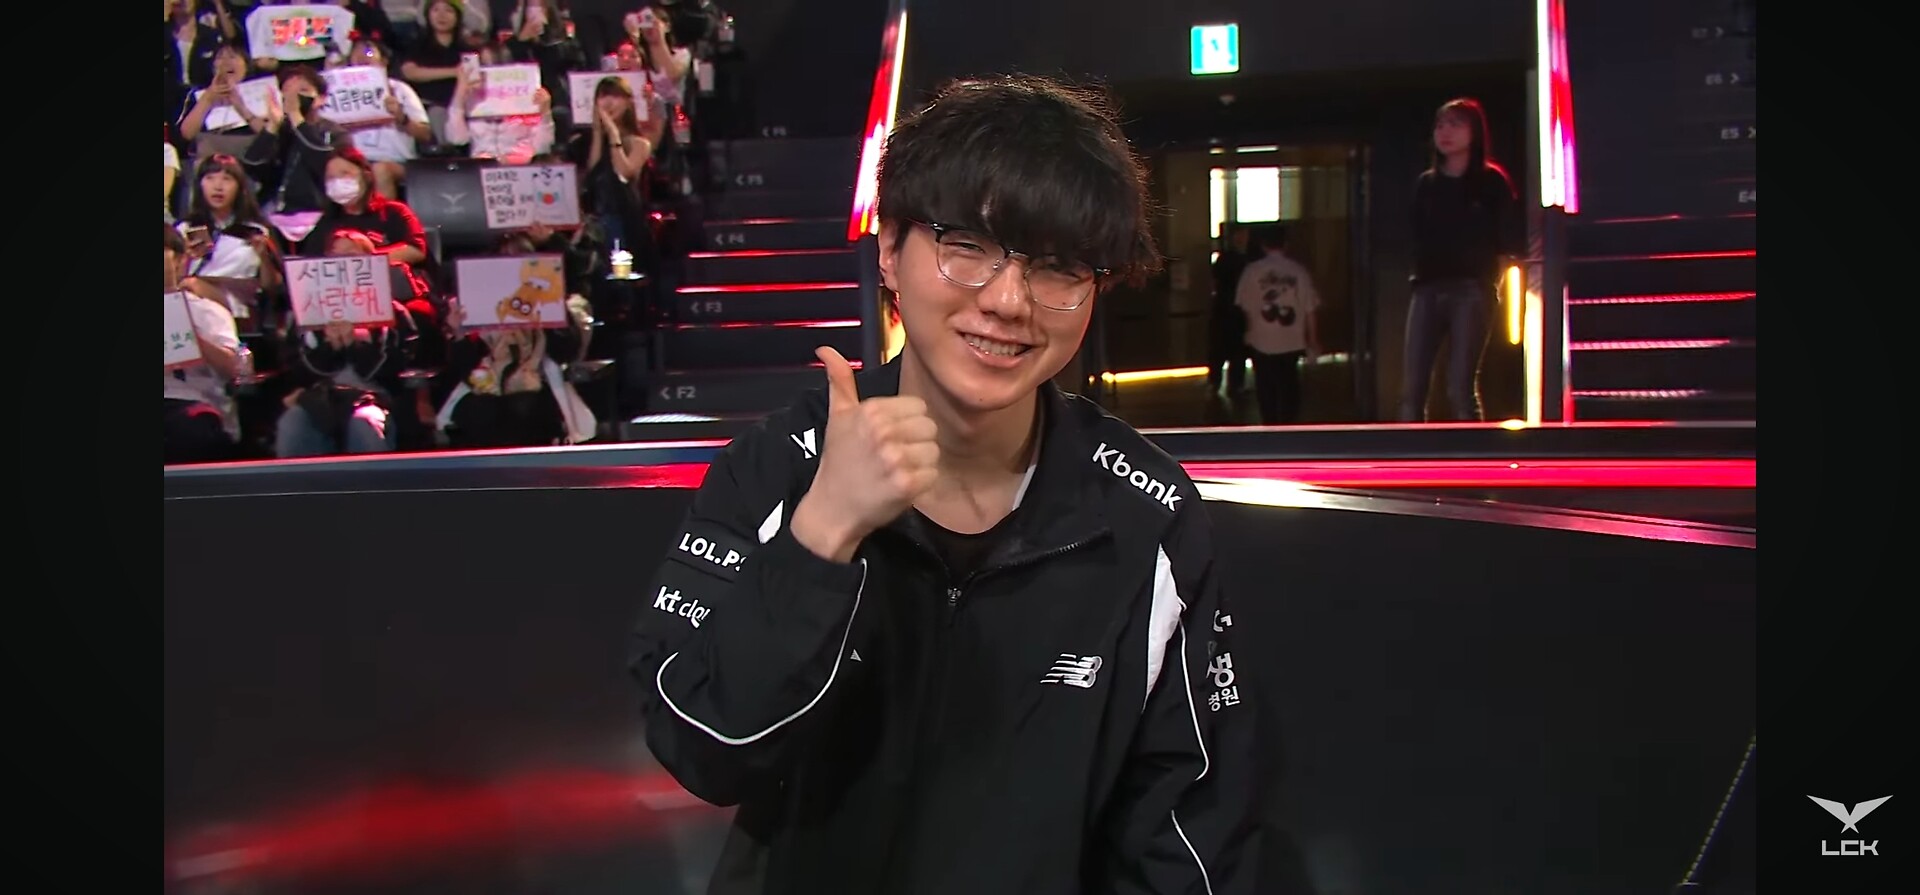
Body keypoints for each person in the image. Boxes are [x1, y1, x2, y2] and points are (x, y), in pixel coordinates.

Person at [629, 74, 1259, 894]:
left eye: (1060, 267)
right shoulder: (780, 464)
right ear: (890, 247)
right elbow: (702, 746)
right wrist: (822, 534)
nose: (1009, 301)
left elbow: (1188, 822)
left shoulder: (1147, 515)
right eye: (967, 244)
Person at [1400, 96, 1523, 422]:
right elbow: (1415, 235)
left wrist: (1491, 280)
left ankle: (1473, 448)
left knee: (1459, 388)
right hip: (1426, 288)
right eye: (1440, 125)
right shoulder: (1426, 184)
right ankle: (1411, 451)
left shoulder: (1491, 181)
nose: (1445, 132)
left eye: (1455, 124)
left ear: (1474, 132)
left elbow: (1506, 237)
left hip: (1471, 289)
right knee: (1412, 390)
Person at [1235, 224, 1321, 424]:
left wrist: (1249, 331)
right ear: (1286, 244)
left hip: (1261, 339)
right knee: (1289, 384)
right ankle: (1288, 425)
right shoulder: (1298, 272)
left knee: (1265, 385)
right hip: (1291, 340)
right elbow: (1310, 309)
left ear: (1263, 245)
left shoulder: (1252, 271)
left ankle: (1270, 424)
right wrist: (1313, 340)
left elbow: (1245, 306)